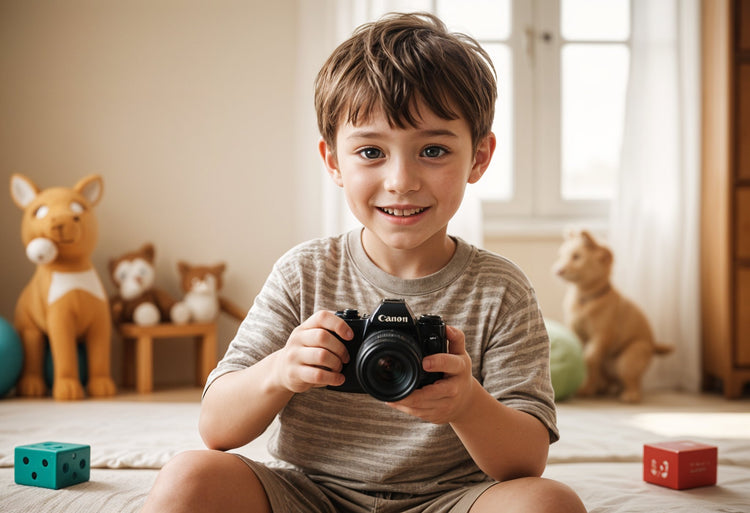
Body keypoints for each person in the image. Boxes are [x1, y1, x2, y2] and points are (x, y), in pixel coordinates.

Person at [141, 12, 586, 513]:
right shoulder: (304, 273)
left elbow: (525, 463)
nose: (401, 180)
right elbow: (216, 428)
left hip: (450, 500)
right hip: (308, 495)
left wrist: (466, 404)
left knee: (549, 504)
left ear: (479, 157)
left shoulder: (501, 289)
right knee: (188, 478)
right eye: (372, 151)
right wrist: (282, 370)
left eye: (433, 150)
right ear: (333, 161)